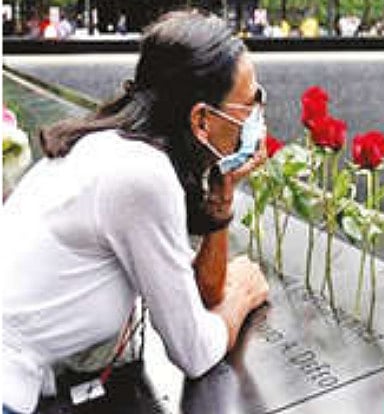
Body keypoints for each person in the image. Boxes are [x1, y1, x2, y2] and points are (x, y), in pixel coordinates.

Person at [2, 10, 269, 414]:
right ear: (201, 120)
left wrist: (222, 191)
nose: (257, 120)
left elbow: (197, 293)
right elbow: (193, 351)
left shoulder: (108, 144)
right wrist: (242, 296)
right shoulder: (142, 176)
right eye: (251, 104)